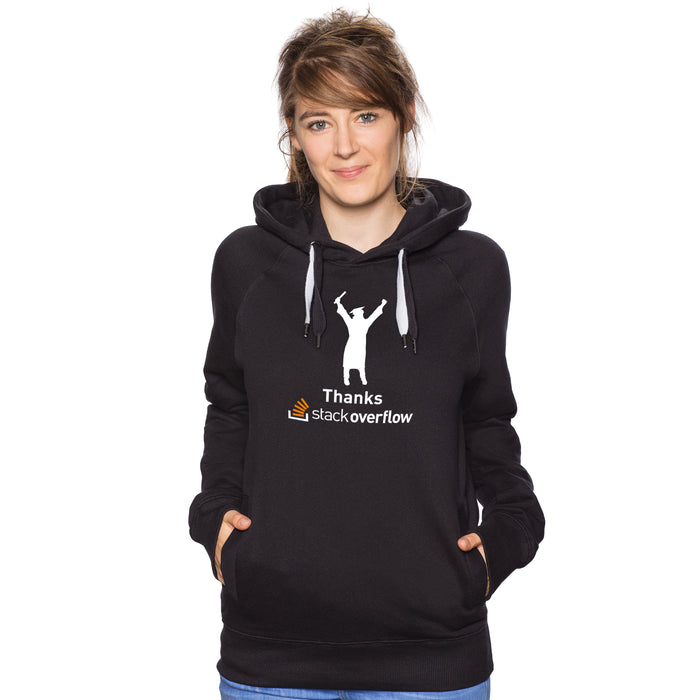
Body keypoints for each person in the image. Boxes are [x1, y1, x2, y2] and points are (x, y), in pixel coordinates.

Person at [188, 8, 545, 699]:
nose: (345, 146)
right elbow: (229, 405)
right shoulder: (246, 264)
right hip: (272, 657)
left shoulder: (472, 269)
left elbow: (487, 419)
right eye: (320, 122)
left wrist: (509, 533)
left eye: (366, 115)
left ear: (404, 117)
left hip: (432, 659)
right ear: (294, 133)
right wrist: (216, 522)